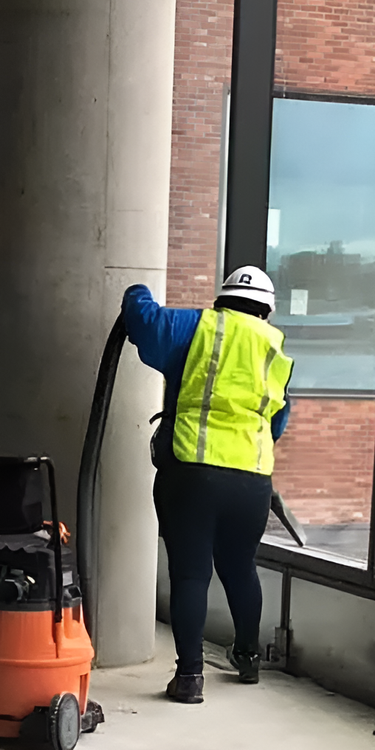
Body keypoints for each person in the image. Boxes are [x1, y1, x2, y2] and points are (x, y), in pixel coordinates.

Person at [122, 267, 294, 704]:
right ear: (267, 312)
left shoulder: (195, 327)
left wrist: (135, 288)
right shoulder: (274, 350)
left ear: (223, 300)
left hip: (192, 474)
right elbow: (277, 420)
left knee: (191, 573)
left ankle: (190, 677)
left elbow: (143, 319)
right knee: (240, 566)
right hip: (251, 481)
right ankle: (249, 659)